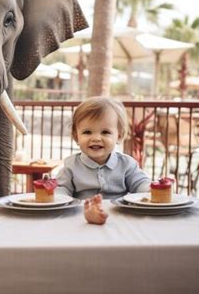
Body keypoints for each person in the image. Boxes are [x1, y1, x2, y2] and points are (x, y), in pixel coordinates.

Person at [56, 96, 151, 224]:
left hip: (119, 217)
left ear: (119, 135)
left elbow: (140, 183)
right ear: (76, 136)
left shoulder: (126, 164)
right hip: (81, 217)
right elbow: (61, 189)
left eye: (105, 132)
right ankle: (92, 213)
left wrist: (152, 189)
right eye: (87, 132)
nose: (96, 138)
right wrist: (58, 196)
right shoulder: (71, 166)